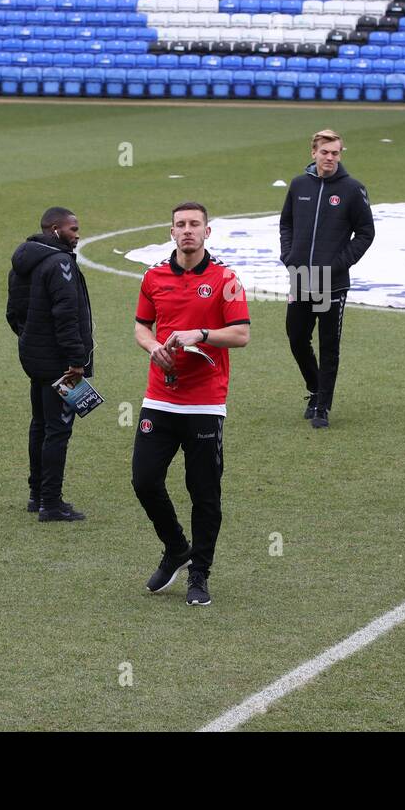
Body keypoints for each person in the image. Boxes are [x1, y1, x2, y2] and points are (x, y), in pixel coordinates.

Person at [133, 202, 251, 607]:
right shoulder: (153, 276)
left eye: (194, 225)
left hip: (205, 404)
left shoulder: (226, 279)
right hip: (160, 399)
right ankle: (177, 547)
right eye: (180, 225)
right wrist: (152, 348)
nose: (187, 231)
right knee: (144, 481)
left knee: (204, 493)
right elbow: (141, 326)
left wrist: (199, 334)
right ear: (171, 232)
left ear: (207, 232)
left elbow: (240, 335)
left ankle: (199, 573)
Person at [278, 128, 374, 429]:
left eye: (335, 152)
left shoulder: (352, 189)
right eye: (325, 152)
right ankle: (315, 387)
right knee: (296, 338)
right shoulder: (298, 185)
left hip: (331, 282)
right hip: (301, 277)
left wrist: (338, 264)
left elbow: (366, 233)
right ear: (313, 153)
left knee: (328, 344)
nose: (330, 157)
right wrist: (288, 256)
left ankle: (322, 406)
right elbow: (286, 224)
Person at [6, 207, 92, 522]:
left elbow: (13, 312)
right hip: (60, 363)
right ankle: (51, 505)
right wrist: (76, 359)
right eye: (73, 229)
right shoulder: (61, 265)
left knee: (40, 425)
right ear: (54, 229)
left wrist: (30, 338)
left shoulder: (22, 263)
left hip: (34, 358)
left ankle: (37, 495)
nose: (77, 234)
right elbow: (67, 314)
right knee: (58, 430)